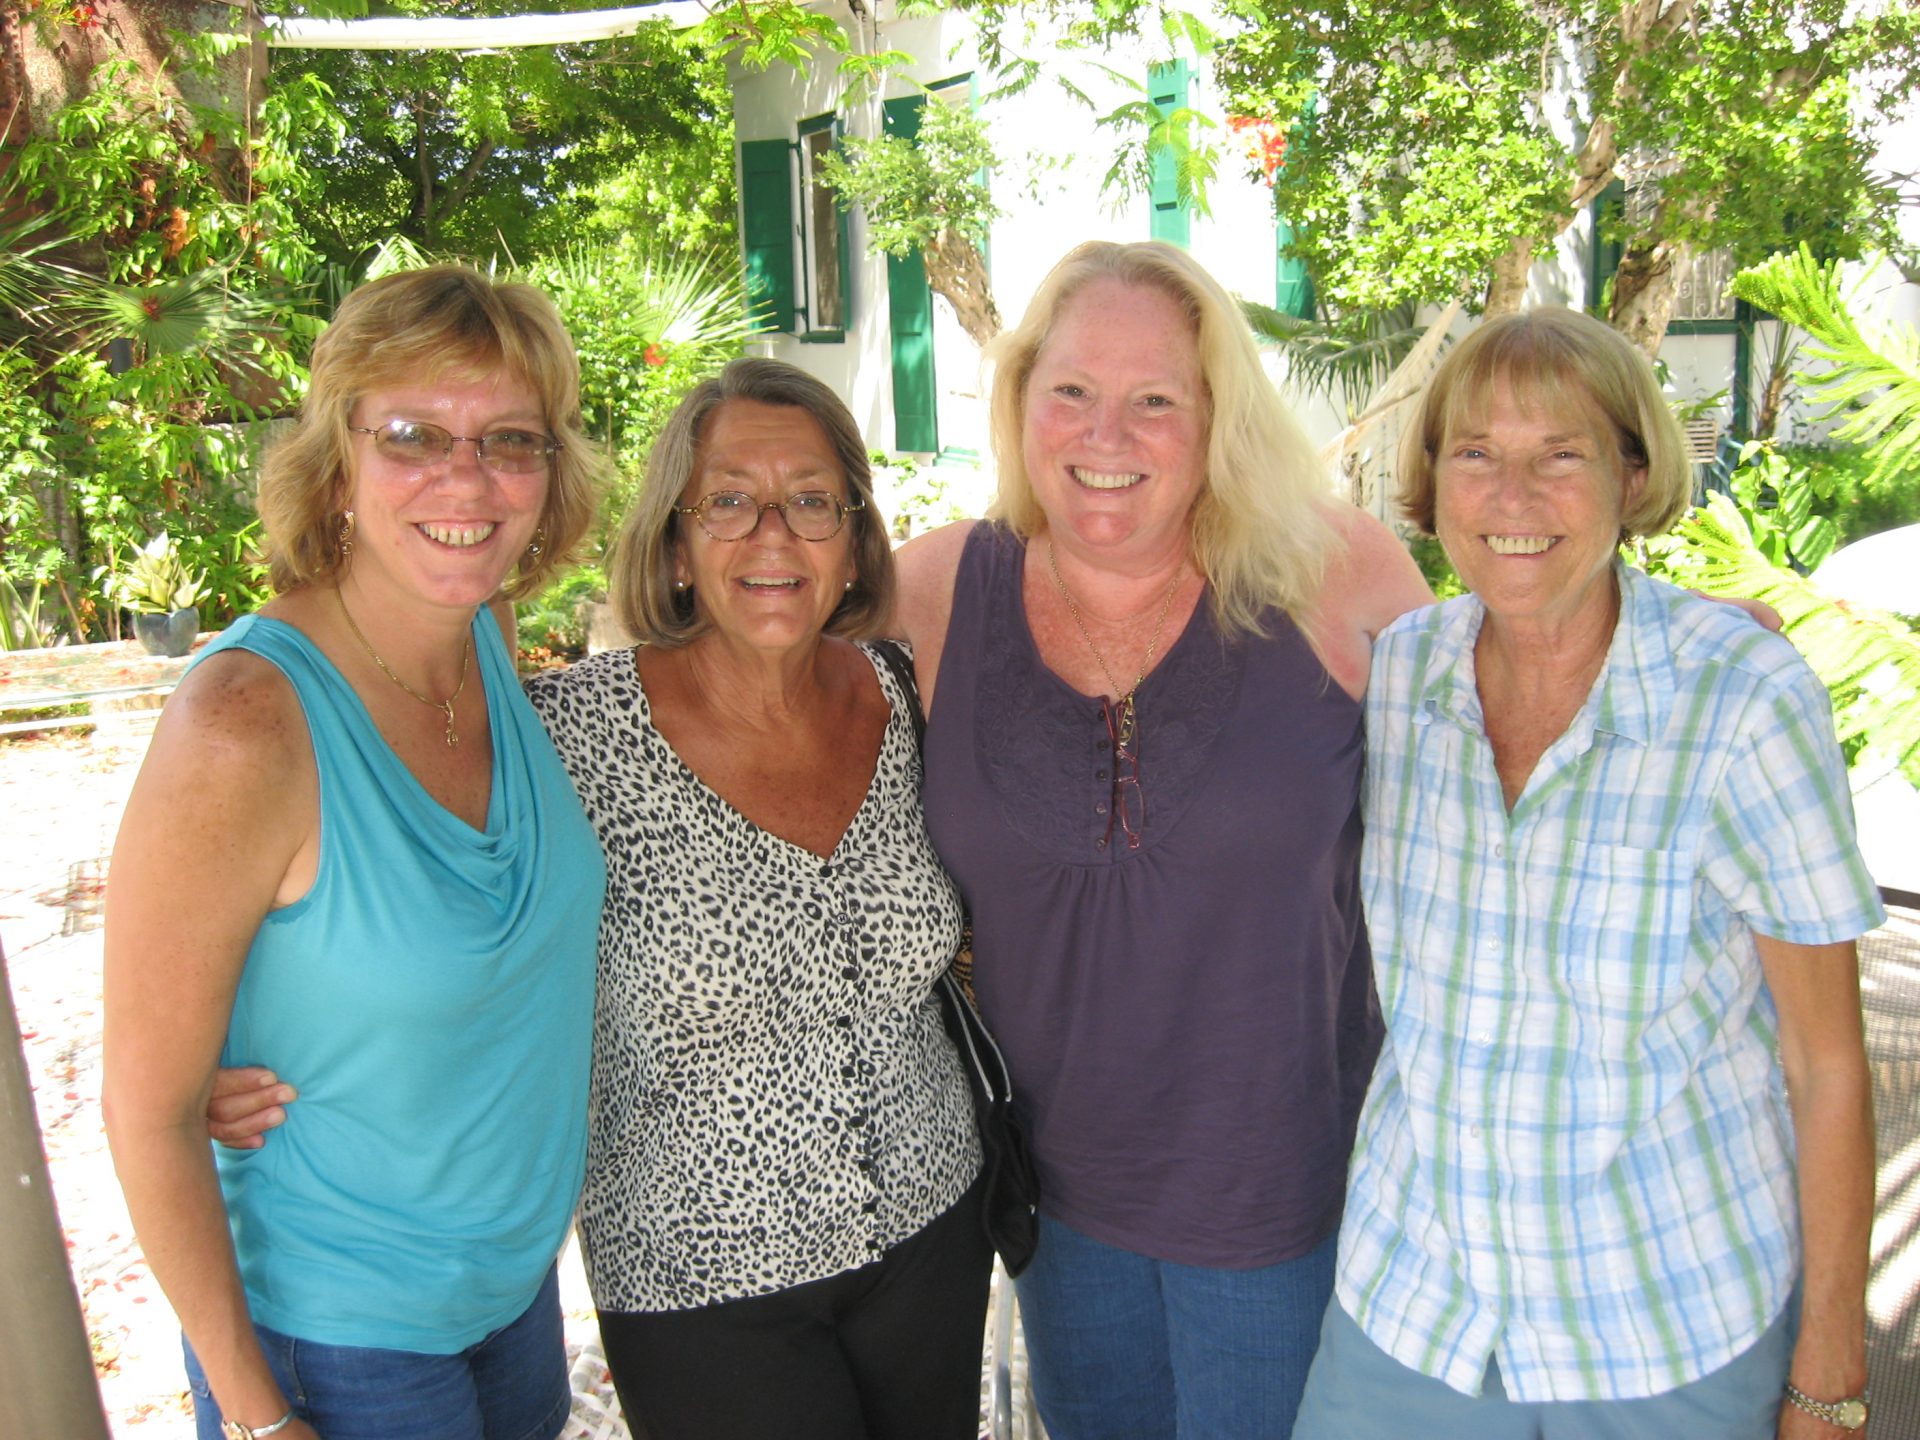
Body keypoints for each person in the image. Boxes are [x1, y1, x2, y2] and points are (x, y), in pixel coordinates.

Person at [1291, 307, 1882, 1439]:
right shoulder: (1404, 677)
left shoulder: (1740, 699)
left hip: (1658, 1328)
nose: (1512, 498)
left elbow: (1825, 1065)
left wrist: (1830, 1371)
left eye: (1561, 455)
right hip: (1417, 1314)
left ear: (1635, 472)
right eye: (1476, 455)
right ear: (1432, 482)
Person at [894, 239, 1435, 1438]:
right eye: (1073, 392)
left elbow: (1516, 729)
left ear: (1217, 420)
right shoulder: (938, 590)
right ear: (1022, 399)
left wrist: (1671, 647)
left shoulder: (1332, 574)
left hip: (1291, 1200)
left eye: (1156, 401)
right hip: (1056, 1204)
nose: (1107, 435)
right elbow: (747, 670)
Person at [102, 265, 610, 1440]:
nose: (467, 480)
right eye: (414, 435)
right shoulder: (243, 725)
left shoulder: (481, 629)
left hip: (512, 1305)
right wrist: (259, 1418)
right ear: (337, 463)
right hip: (334, 1341)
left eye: (511, 441)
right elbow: (146, 1110)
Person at [527, 357, 990, 1438]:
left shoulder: (903, 692)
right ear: (677, 544)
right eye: (728, 500)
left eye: (811, 501)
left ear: (853, 540)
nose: (772, 534)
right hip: (700, 1279)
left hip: (934, 1226)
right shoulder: (568, 737)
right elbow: (427, 907)